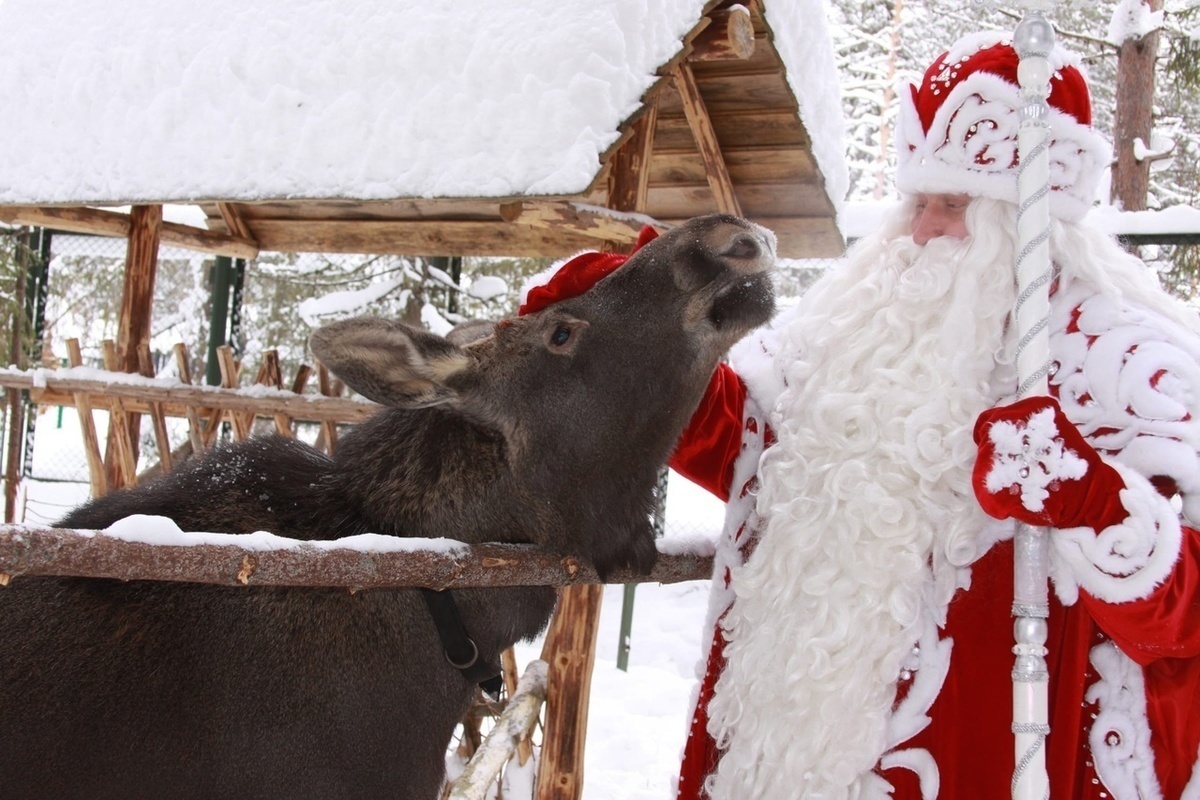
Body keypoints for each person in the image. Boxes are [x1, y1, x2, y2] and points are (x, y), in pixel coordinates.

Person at [670, 30, 1200, 800]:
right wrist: (632, 353)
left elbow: (1187, 618)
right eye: (917, 201)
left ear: (1029, 221)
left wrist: (1090, 501)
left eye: (952, 205)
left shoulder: (1123, 362)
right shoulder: (860, 334)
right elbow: (758, 463)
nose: (920, 230)